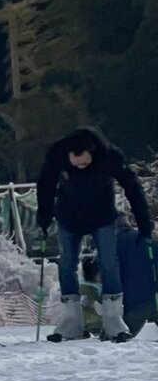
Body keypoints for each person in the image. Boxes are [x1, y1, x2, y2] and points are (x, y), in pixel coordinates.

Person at [36, 127, 152, 343]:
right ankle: (71, 324)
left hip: (102, 217)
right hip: (68, 217)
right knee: (67, 264)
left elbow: (132, 187)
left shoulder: (110, 156)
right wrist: (43, 217)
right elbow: (45, 185)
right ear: (68, 155)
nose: (81, 166)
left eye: (85, 163)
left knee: (109, 263)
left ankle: (114, 323)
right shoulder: (57, 154)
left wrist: (144, 222)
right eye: (76, 163)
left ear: (93, 152)